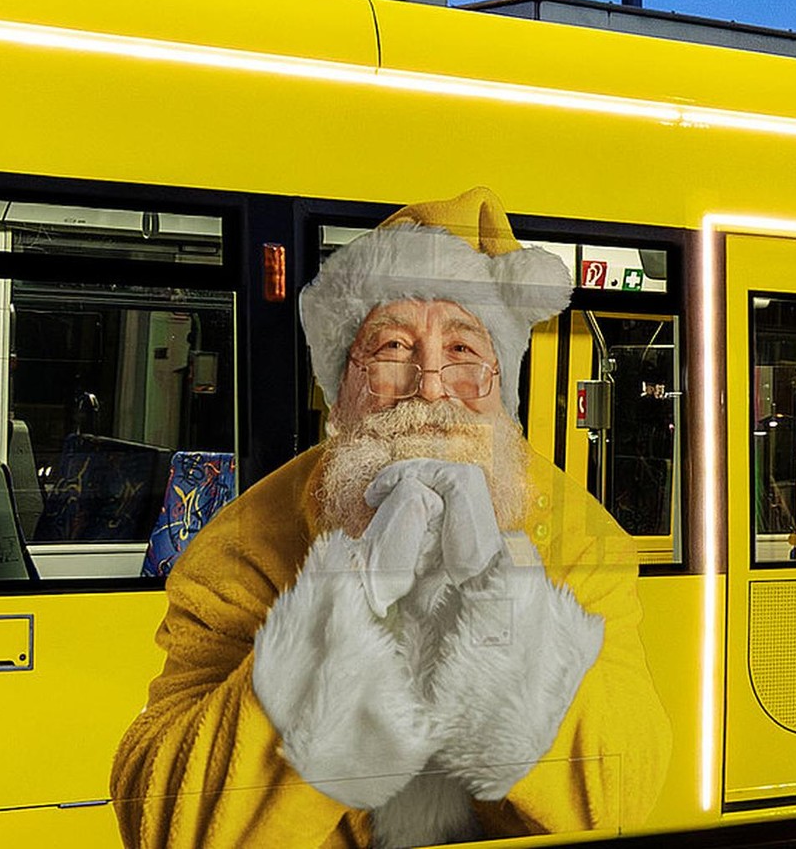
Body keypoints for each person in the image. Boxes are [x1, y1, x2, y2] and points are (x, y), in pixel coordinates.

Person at [111, 188, 671, 849]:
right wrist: (345, 608)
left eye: (463, 350)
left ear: (502, 384)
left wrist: (503, 604)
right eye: (393, 347)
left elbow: (618, 797)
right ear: (340, 389)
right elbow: (172, 824)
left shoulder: (581, 540)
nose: (429, 385)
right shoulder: (241, 548)